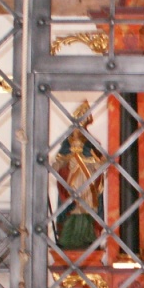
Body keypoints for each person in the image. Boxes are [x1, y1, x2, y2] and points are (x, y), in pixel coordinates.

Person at [53, 102, 103, 249]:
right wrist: (58, 165)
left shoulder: (91, 142)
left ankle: (88, 237)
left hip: (87, 179)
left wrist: (96, 161)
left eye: (84, 119)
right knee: (73, 206)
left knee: (86, 207)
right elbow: (60, 160)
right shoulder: (67, 143)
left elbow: (98, 160)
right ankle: (68, 238)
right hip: (72, 179)